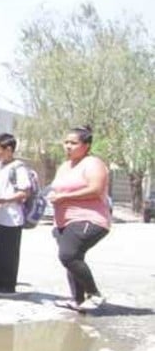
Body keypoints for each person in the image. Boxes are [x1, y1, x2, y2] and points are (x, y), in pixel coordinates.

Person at [46, 125, 111, 311]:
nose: (68, 146)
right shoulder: (64, 166)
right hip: (63, 221)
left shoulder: (93, 163)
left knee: (68, 255)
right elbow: (57, 189)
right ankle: (78, 300)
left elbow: (95, 189)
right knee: (73, 259)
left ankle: (94, 294)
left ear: (86, 145)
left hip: (89, 219)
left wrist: (64, 197)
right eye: (66, 142)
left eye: (73, 143)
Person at [0, 133, 33, 296]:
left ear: (8, 149)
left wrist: (2, 200)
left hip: (11, 218)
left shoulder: (18, 167)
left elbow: (24, 192)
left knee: (8, 253)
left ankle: (8, 286)